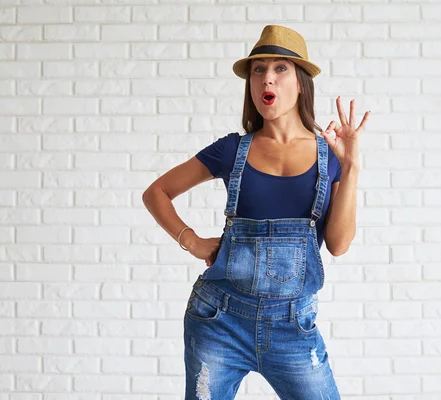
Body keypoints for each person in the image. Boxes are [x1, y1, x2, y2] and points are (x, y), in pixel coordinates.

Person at [143, 24, 370, 400]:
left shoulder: (331, 154)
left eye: (281, 68)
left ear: (301, 83)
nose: (268, 78)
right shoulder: (232, 150)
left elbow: (339, 244)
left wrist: (351, 169)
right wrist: (192, 242)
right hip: (218, 322)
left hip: (293, 329)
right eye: (258, 70)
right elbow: (157, 192)